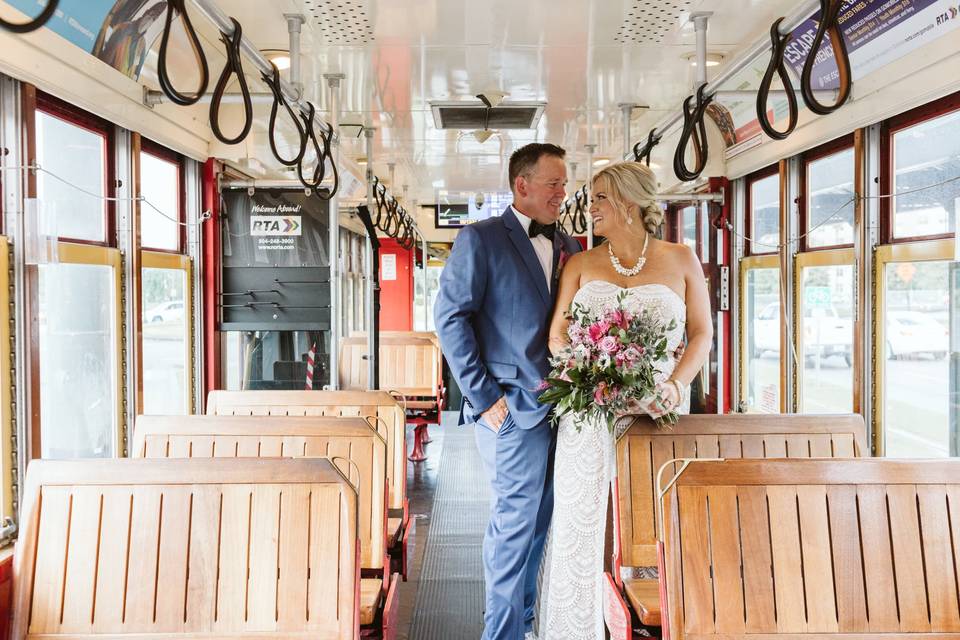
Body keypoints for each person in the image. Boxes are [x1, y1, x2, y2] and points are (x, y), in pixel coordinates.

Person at [536, 162, 712, 639]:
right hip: (588, 417)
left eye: (599, 199)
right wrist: (588, 369)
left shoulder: (681, 259)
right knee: (581, 526)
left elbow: (701, 335)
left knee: (650, 532)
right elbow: (556, 337)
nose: (588, 207)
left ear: (629, 203)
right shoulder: (579, 264)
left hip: (656, 416)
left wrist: (675, 385)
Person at [434, 143, 583, 640]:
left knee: (540, 527)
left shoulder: (571, 248)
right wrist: (484, 398)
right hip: (509, 408)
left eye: (565, 183)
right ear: (522, 185)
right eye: (554, 183)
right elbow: (450, 319)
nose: (563, 192)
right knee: (513, 527)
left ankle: (522, 626)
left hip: (563, 409)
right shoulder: (480, 240)